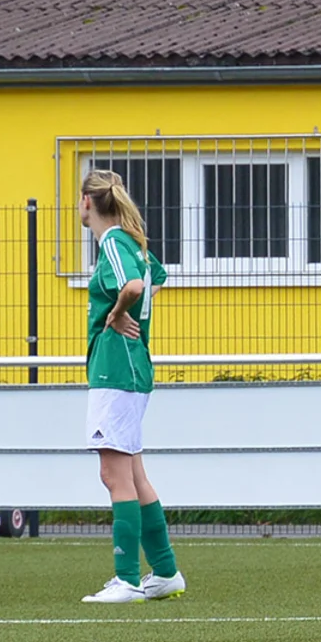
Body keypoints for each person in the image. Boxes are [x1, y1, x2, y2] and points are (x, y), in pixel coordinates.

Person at [77, 169, 182, 603]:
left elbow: (137, 284)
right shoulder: (131, 244)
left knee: (113, 473)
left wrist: (119, 312)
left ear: (88, 202)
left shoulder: (114, 243)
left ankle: (126, 579)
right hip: (131, 370)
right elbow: (156, 274)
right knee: (134, 474)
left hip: (116, 370)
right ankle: (165, 571)